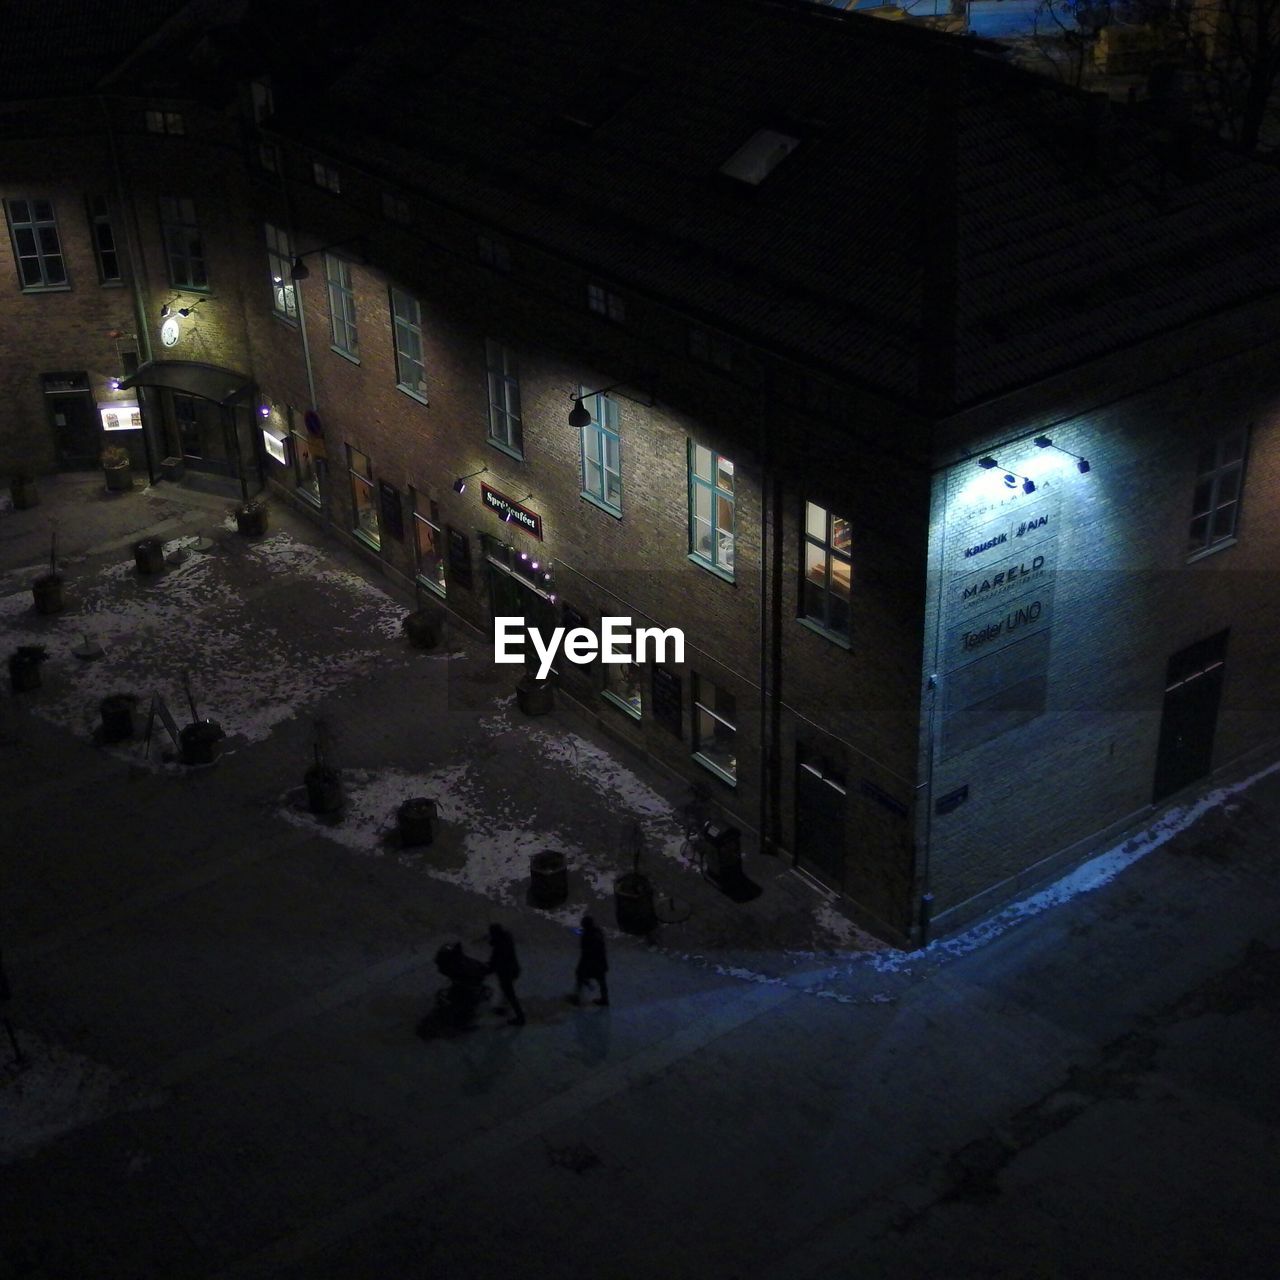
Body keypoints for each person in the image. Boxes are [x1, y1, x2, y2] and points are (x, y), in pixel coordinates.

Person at [485, 923, 525, 1026]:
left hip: (506, 973)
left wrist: (488, 968)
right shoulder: (507, 938)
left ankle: (520, 1018)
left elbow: (496, 960)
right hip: (512, 970)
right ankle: (504, 1008)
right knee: (506, 991)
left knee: (510, 994)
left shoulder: (500, 947)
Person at [574, 915, 609, 1007]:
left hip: (590, 962)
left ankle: (577, 997)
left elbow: (585, 952)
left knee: (580, 977)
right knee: (601, 980)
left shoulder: (586, 936)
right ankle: (605, 998)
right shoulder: (598, 932)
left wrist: (582, 965)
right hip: (600, 961)